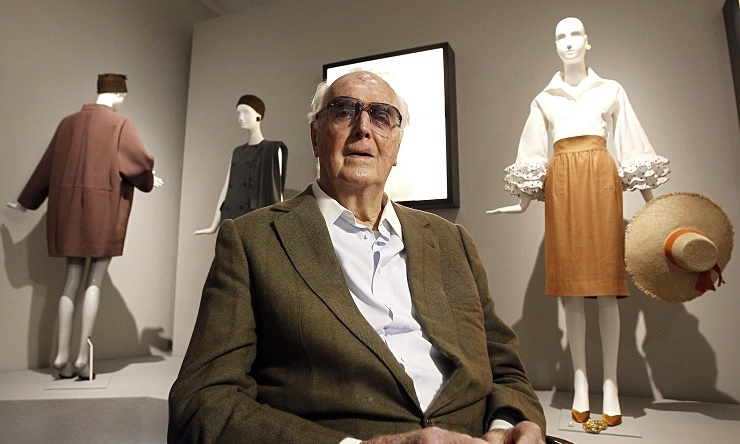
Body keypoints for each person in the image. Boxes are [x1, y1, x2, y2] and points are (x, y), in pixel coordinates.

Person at [169, 70, 546, 443]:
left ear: (396, 145)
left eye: (382, 116)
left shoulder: (452, 241)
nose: (363, 128)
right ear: (315, 136)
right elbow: (202, 403)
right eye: (344, 111)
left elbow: (505, 370)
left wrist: (506, 427)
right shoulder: (253, 240)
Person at [488, 18, 669, 426]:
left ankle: (611, 385)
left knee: (606, 289)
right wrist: (521, 204)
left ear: (588, 42)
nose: (568, 42)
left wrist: (654, 204)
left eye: (574, 35)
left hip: (602, 181)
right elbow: (533, 152)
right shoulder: (544, 99)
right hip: (562, 187)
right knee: (571, 292)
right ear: (555, 45)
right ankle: (582, 382)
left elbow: (631, 144)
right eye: (560, 36)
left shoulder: (611, 90)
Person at [7, 73, 162, 379]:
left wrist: (26, 202)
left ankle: (61, 355)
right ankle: (81, 357)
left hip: (67, 215)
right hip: (102, 213)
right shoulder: (120, 124)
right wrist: (148, 178)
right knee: (94, 281)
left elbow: (46, 167)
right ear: (118, 94)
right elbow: (138, 163)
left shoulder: (67, 123)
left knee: (71, 279)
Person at [194, 94, 287, 235]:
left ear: (258, 116)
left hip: (252, 223)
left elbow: (276, 193)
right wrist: (214, 225)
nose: (241, 117)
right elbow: (227, 188)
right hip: (229, 219)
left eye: (246, 112)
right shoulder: (237, 152)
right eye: (239, 113)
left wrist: (280, 228)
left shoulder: (272, 150)